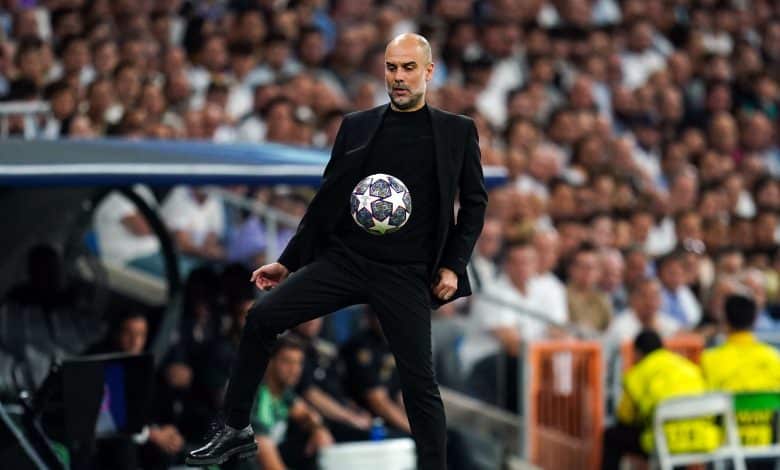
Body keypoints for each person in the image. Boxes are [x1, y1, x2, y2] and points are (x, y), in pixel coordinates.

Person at [187, 33, 487, 470]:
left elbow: (474, 205)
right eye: (391, 67)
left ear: (428, 72)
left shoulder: (456, 131)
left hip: (405, 272)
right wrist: (288, 262)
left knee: (419, 384)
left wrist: (452, 266)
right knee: (261, 317)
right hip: (347, 261)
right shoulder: (357, 126)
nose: (398, 77)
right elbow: (326, 202)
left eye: (408, 68)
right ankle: (235, 429)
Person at [601, 330, 715, 470]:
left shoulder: (637, 374)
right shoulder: (689, 367)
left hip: (665, 441)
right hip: (702, 438)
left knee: (612, 437)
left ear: (638, 353)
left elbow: (625, 417)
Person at [250, 335, 334, 470]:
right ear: (269, 362)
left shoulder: (284, 393)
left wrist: (318, 429)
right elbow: (266, 454)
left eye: (298, 363)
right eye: (287, 362)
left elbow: (307, 414)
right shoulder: (255, 396)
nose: (294, 369)